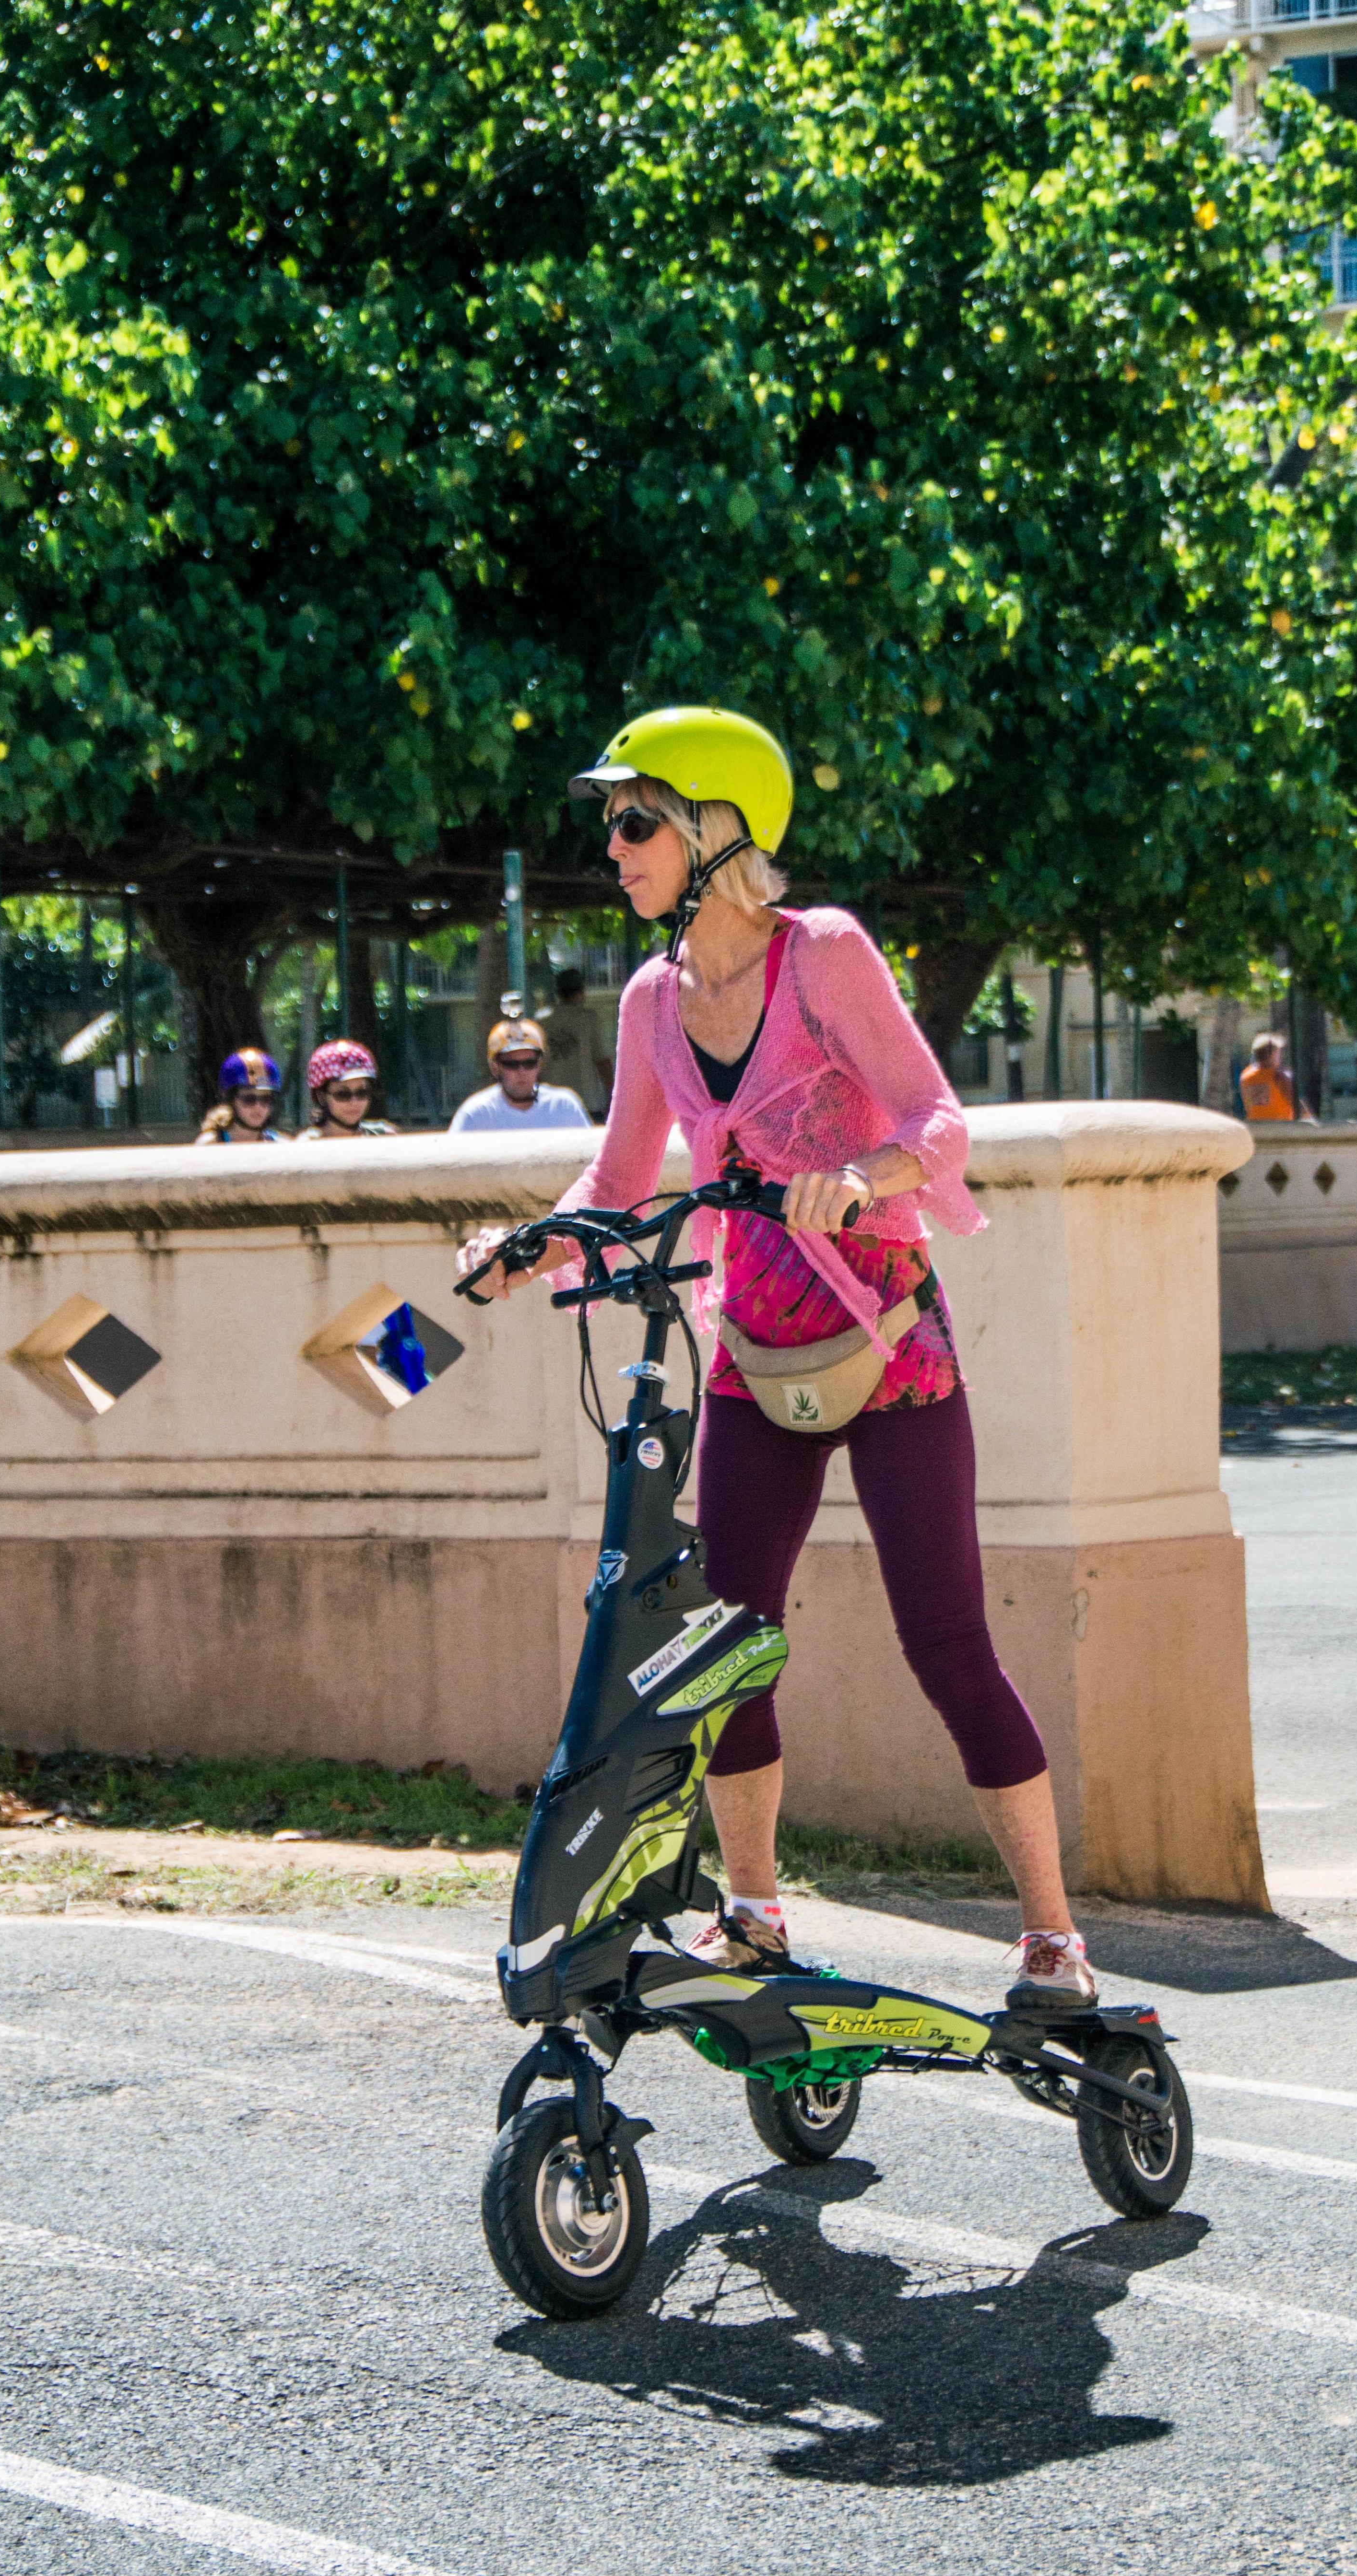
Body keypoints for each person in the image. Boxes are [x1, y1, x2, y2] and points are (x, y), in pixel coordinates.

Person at [456, 703, 1095, 2013]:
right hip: (752, 1349)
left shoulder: (826, 956)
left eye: (638, 820)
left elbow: (937, 1117)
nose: (616, 846)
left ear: (717, 829)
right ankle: (751, 1912)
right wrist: (539, 1245)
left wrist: (864, 1174)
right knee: (729, 1642)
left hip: (888, 1340)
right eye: (612, 824)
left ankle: (1051, 1936)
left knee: (948, 1642)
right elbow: (625, 1176)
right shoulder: (648, 998)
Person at [449, 1017, 591, 1132]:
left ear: (540, 1064)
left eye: (530, 1063)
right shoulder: (475, 1114)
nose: (522, 1071)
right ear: (495, 1067)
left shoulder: (565, 1107)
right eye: (512, 1064)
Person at [544, 966, 614, 1117]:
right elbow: (603, 1063)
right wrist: (612, 1097)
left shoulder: (543, 1023)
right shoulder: (589, 1020)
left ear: (559, 993)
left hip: (550, 1105)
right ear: (581, 991)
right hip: (586, 1103)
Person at [299, 1040, 398, 1140]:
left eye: (362, 1093)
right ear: (321, 1097)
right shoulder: (308, 1145)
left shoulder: (384, 1138)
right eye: (343, 1094)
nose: (354, 1102)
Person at [196, 1049, 283, 1146]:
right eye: (249, 1099)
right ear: (230, 1100)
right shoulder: (210, 1144)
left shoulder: (281, 1146)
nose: (258, 1107)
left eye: (266, 1099)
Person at [1239, 1033, 1303, 1123]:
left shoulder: (1245, 1076)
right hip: (1280, 1129)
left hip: (1255, 1128)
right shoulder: (1280, 1076)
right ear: (1273, 1054)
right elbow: (1300, 1109)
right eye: (1279, 1052)